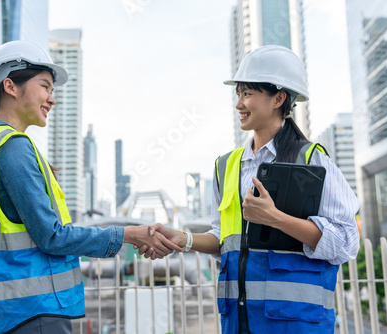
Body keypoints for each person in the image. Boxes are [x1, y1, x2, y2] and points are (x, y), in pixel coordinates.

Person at [141, 45, 360, 333]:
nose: (238, 104)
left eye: (247, 94)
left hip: (295, 323)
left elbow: (346, 241)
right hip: (239, 320)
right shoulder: (226, 166)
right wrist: (183, 239)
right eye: (238, 94)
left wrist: (275, 218)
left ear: (278, 98)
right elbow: (225, 239)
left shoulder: (311, 160)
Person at [0, 40, 181, 334]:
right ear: (10, 86)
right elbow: (52, 237)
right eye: (44, 86)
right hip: (32, 312)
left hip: (6, 314)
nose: (51, 99)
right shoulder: (13, 148)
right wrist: (129, 234)